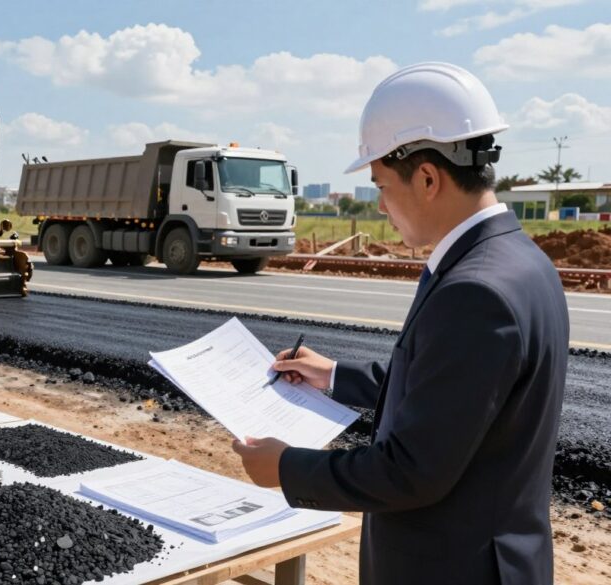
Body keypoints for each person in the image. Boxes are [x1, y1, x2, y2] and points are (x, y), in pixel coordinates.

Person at [231, 62, 568, 585]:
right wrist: (336, 376)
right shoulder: (519, 260)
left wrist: (286, 469)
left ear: (428, 178)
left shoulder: (475, 290)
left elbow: (412, 470)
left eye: (382, 185)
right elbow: (453, 398)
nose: (382, 206)